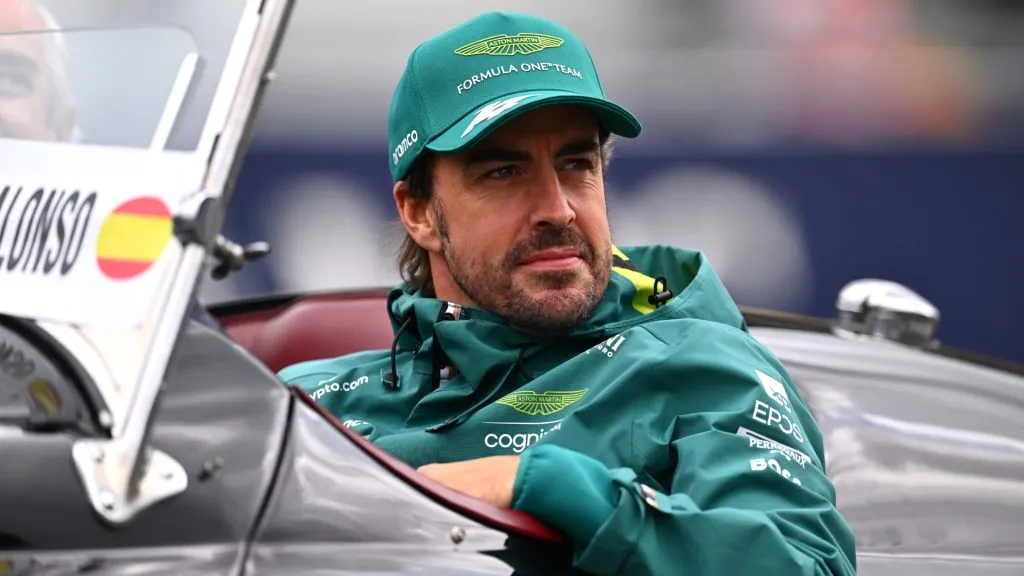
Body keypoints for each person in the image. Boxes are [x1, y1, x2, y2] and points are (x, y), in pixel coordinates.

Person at [278, 11, 857, 575]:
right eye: (503, 172)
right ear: (419, 212)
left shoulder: (700, 365)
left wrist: (546, 484)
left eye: (577, 164)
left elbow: (806, 565)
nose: (557, 209)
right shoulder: (305, 404)